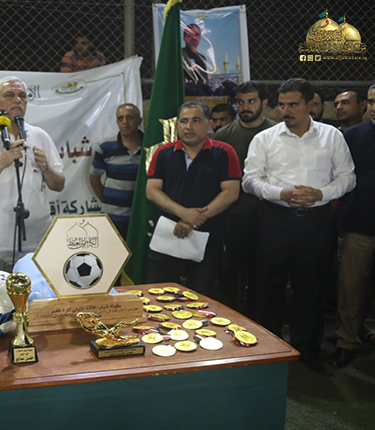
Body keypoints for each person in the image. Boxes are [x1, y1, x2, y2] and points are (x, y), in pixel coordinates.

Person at [243, 78, 356, 374]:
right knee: (268, 289)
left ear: (310, 104)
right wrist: (279, 194)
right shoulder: (265, 138)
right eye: (282, 105)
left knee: (311, 289)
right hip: (274, 221)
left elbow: (347, 177)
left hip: (317, 223)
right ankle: (268, 352)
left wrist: (321, 194)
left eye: (293, 104)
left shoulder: (332, 136)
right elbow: (250, 180)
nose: (286, 111)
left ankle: (307, 351)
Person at [0, 77, 65, 272]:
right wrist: (1, 163)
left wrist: (46, 169)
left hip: (37, 241)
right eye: (9, 95)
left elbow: (58, 184)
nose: (17, 100)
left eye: (22, 96)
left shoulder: (39, 135)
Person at [144, 101, 241, 293]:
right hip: (167, 236)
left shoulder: (225, 152)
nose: (188, 126)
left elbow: (231, 193)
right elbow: (152, 190)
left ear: (209, 124)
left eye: (196, 120)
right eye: (183, 121)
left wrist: (194, 220)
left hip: (207, 236)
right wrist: (184, 213)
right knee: (158, 291)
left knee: (201, 294)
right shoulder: (163, 153)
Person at [213, 81, 277, 317]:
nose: (245, 107)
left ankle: (259, 325)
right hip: (233, 215)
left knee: (263, 275)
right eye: (240, 102)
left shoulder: (278, 133)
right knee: (230, 274)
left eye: (251, 101)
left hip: (270, 215)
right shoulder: (223, 136)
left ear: (264, 102)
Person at [331, 80, 375, 368]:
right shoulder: (351, 137)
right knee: (350, 290)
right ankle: (346, 342)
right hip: (357, 227)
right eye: (371, 101)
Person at [89, 103, 143, 239]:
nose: (125, 122)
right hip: (112, 218)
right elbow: (94, 177)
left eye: (129, 117)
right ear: (117, 123)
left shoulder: (151, 148)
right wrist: (108, 201)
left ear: (139, 121)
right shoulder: (105, 148)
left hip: (140, 217)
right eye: (120, 118)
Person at [182, 24, 211, 96]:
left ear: (200, 38)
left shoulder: (202, 58)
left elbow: (204, 82)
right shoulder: (179, 55)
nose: (193, 37)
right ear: (184, 38)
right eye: (190, 35)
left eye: (196, 34)